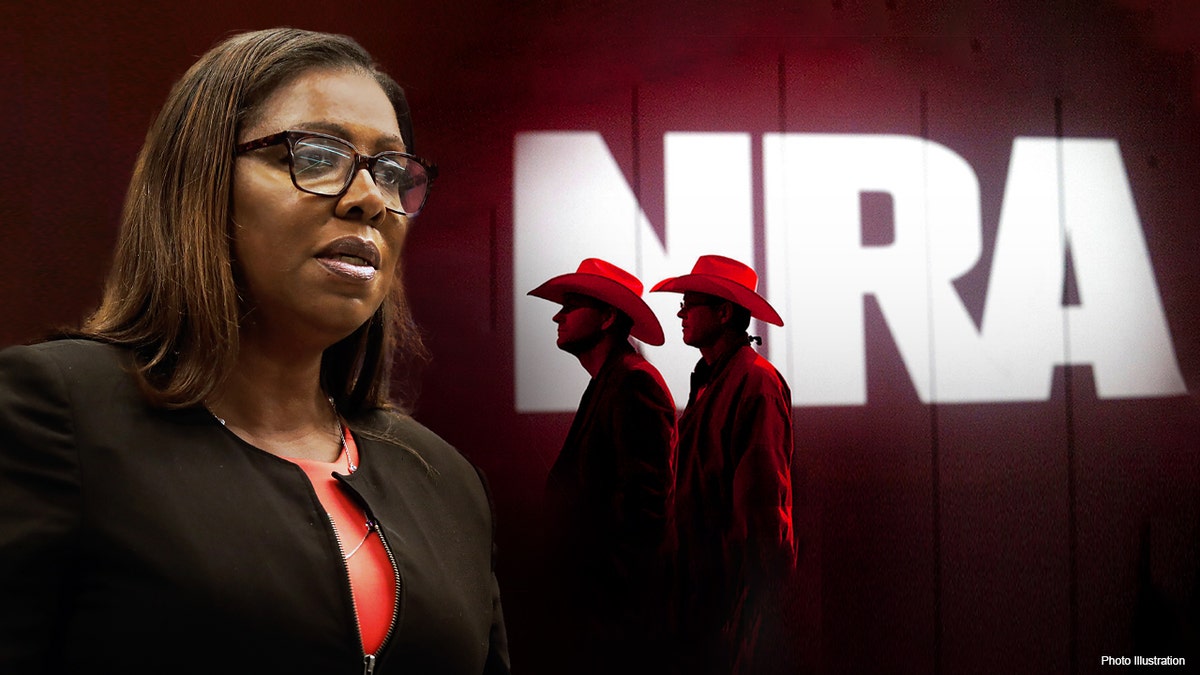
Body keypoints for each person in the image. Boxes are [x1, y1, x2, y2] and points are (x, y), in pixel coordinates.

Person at [0, 28, 508, 675]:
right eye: (317, 155)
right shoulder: (58, 415)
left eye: (390, 172)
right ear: (202, 183)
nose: (369, 200)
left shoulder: (448, 483)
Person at [527, 258, 677, 673]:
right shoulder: (611, 381)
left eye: (572, 304)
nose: (558, 314)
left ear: (608, 317)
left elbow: (646, 514)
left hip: (613, 625)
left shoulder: (633, 383)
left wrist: (610, 610)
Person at [651, 254, 796, 675]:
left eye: (690, 303)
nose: (679, 312)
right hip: (702, 601)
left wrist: (750, 612)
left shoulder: (756, 383)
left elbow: (764, 508)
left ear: (724, 312)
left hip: (728, 605)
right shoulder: (712, 379)